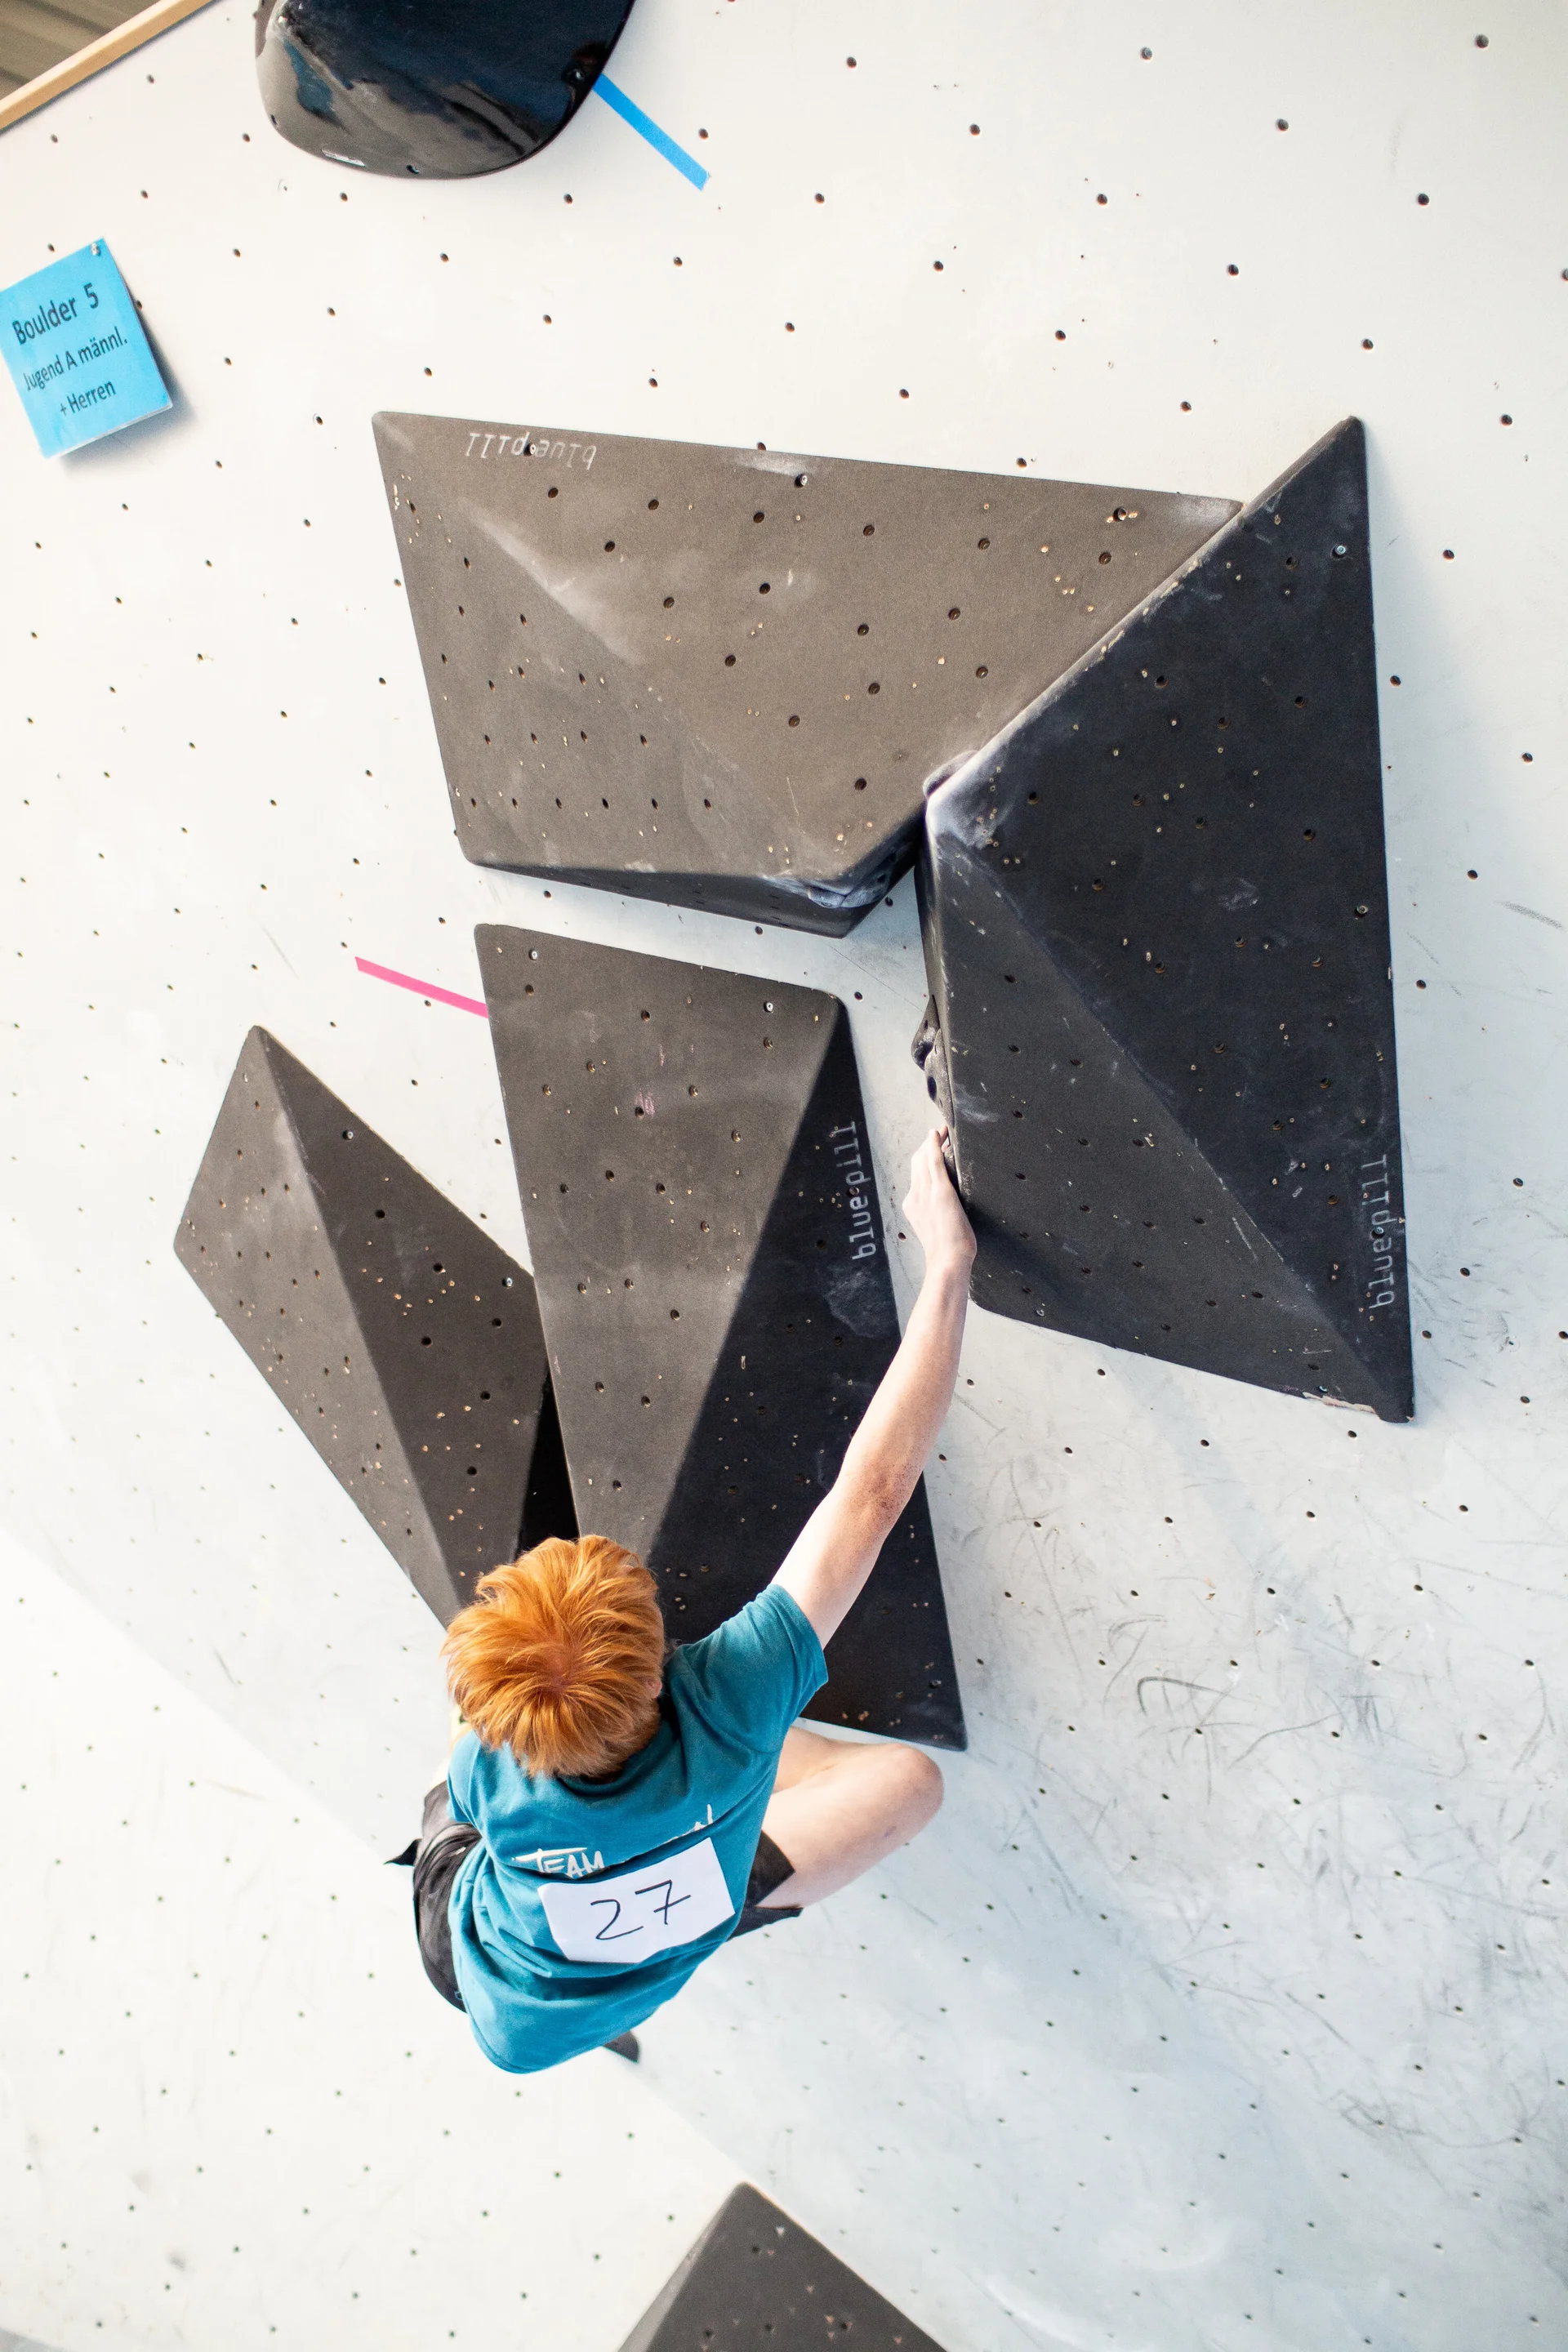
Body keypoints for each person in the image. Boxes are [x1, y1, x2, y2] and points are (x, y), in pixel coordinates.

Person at [399, 1127, 974, 2074]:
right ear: (663, 1658)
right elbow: (870, 1495)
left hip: (523, 2017)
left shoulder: (491, 1770)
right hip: (476, 1941)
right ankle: (664, 1892)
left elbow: (874, 1493)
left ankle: (637, 1932)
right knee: (904, 1787)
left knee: (899, 1786)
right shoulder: (732, 1695)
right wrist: (947, 1267)